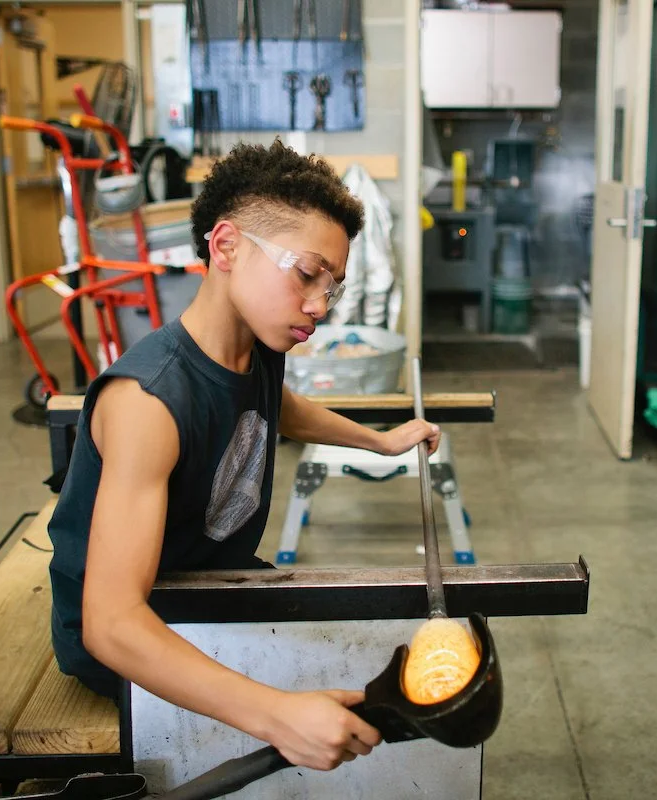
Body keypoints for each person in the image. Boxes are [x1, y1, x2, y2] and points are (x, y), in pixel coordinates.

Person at [46, 140, 440, 772]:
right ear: (225, 246)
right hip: (136, 640)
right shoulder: (149, 401)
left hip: (210, 587)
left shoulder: (256, 344)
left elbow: (273, 404)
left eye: (332, 286)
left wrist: (380, 439)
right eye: (306, 272)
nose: (319, 303)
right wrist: (277, 714)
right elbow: (111, 623)